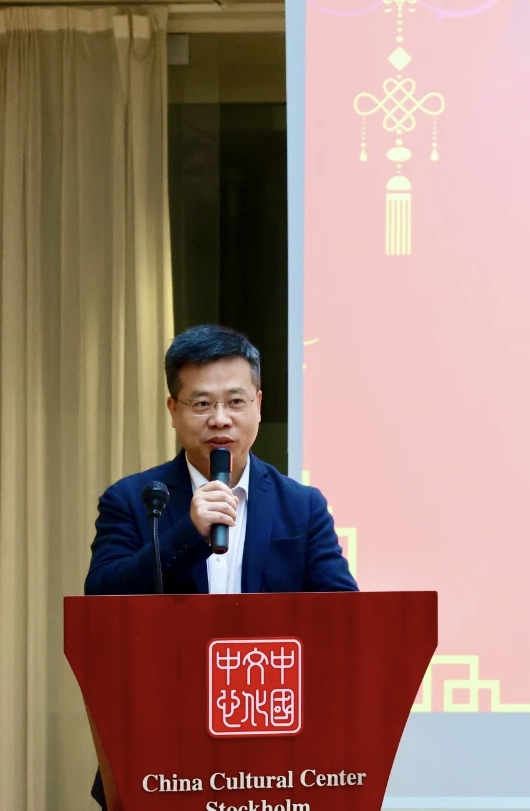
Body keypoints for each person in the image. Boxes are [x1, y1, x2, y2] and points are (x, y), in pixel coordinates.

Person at [83, 324, 357, 808]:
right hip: (159, 748)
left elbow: (344, 618)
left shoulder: (302, 506)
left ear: (258, 404)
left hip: (277, 752)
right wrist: (188, 533)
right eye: (201, 403)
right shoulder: (133, 499)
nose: (220, 419)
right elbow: (101, 599)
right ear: (173, 410)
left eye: (235, 401)